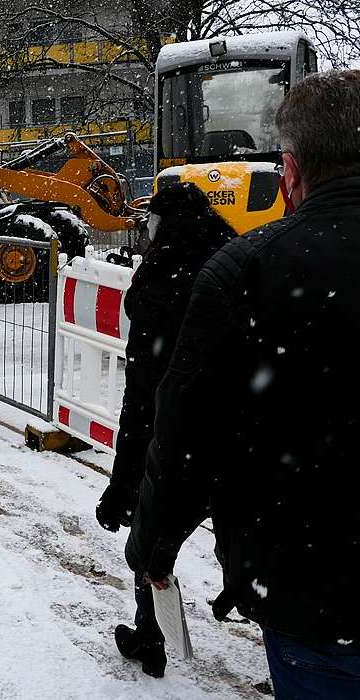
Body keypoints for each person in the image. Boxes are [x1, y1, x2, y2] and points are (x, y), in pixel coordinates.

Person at [127, 70, 360, 698]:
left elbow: (186, 435)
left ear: (289, 166)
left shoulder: (245, 270)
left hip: (313, 598)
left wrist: (153, 543)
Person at [95, 182, 236, 678]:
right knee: (241, 537)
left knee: (152, 537)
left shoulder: (158, 284)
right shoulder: (236, 264)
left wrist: (120, 484)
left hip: (176, 436)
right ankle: (263, 612)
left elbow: (142, 396)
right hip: (241, 434)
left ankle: (151, 637)